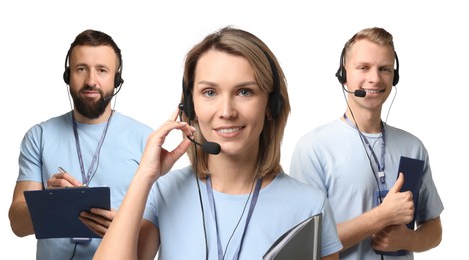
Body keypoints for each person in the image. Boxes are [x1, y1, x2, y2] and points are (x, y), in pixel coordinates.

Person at [93, 26, 342, 260]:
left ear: (271, 105)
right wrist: (144, 177)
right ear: (190, 106)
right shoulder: (163, 192)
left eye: (244, 91)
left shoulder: (311, 205)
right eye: (210, 92)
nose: (226, 111)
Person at [290, 27, 443, 259]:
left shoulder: (413, 147)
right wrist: (381, 216)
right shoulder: (313, 149)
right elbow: (306, 244)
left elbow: (434, 229)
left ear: (395, 76)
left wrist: (408, 239)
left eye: (385, 69)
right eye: (363, 67)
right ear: (344, 74)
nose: (375, 78)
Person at [8, 29, 153, 260]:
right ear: (68, 76)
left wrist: (123, 229)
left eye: (102, 70)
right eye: (81, 69)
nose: (91, 81)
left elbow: (160, 226)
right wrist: (49, 203)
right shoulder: (39, 136)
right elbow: (17, 223)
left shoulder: (146, 140)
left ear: (117, 79)